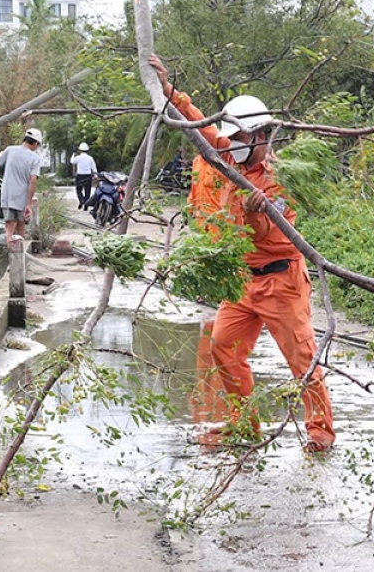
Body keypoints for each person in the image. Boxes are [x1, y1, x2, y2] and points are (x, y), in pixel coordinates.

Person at [149, 54, 336, 453]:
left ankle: (320, 429)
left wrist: (256, 216)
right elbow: (197, 125)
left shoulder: (280, 180)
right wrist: (167, 90)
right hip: (240, 282)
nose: (231, 145)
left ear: (261, 137)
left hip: (280, 281)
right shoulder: (228, 151)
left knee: (301, 357)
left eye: (241, 139)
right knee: (223, 346)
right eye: (229, 139)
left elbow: (276, 235)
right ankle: (243, 425)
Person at [0, 127, 44, 248]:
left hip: (7, 195)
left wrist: (0, 155)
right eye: (38, 145)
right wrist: (28, 204)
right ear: (35, 143)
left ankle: (12, 260)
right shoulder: (35, 159)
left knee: (9, 229)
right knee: (20, 228)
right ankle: (20, 259)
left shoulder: (9, 150)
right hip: (22, 198)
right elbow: (33, 182)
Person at [70, 142, 97, 210]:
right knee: (87, 191)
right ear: (87, 150)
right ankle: (86, 206)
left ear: (80, 150)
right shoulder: (90, 158)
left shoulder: (78, 157)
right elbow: (94, 168)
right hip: (88, 176)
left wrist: (73, 154)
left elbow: (72, 161)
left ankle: (81, 200)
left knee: (79, 190)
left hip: (80, 176)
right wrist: (96, 176)